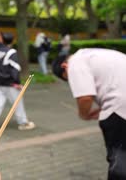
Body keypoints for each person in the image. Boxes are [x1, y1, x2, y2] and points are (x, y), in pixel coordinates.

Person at [52, 48, 126, 180]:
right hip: (120, 104)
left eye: (68, 78)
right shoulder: (94, 54)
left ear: (64, 66)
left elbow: (85, 98)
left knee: (120, 160)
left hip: (121, 109)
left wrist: (84, 115)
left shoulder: (75, 62)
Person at [0, 32, 36, 132]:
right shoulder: (11, 52)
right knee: (17, 102)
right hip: (10, 83)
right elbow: (14, 69)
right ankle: (23, 123)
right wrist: (17, 82)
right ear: (11, 41)